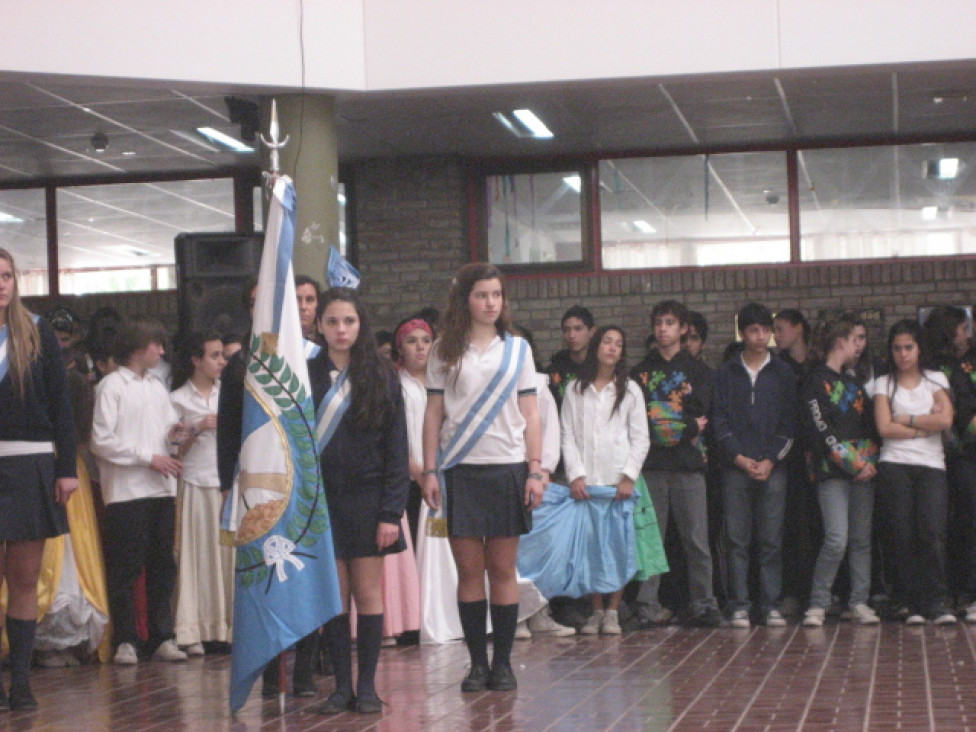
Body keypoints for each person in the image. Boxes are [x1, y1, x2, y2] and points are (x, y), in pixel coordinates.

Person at [422, 262, 543, 693]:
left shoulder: (518, 350)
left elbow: (531, 413)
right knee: (469, 571)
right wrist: (430, 468)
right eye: (481, 295)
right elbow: (433, 412)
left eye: (496, 295)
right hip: (460, 470)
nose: (490, 303)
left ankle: (504, 663)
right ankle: (476, 664)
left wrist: (535, 470)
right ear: (465, 300)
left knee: (503, 570)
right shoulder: (443, 350)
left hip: (508, 466)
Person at [311, 288, 410, 715]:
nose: (340, 330)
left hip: (369, 500)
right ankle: (340, 688)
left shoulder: (382, 375)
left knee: (368, 594)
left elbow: (397, 450)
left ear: (360, 324)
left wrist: (391, 512)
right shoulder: (302, 374)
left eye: (348, 321)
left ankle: (367, 685)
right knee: (335, 597)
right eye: (332, 321)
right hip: (321, 502)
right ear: (319, 326)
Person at [0, 248, 78, 711]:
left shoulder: (37, 331)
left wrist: (66, 468)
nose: (2, 284)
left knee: (24, 578)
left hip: (31, 463)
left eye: (7, 275)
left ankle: (22, 683)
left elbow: (61, 405)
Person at [90, 318, 188, 665]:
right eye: (156, 345)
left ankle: (162, 636)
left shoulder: (158, 386)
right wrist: (149, 458)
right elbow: (101, 441)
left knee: (163, 563)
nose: (161, 352)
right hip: (126, 491)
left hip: (161, 489)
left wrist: (175, 436)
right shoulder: (111, 386)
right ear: (137, 347)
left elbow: (164, 436)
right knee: (126, 566)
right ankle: (125, 640)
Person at [632, 300, 721, 628]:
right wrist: (682, 424)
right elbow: (639, 417)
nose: (662, 328)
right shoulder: (639, 372)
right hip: (651, 465)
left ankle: (703, 602)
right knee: (650, 538)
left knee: (696, 539)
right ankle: (646, 604)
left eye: (670, 322)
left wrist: (662, 417)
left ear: (683, 329)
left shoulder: (699, 371)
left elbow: (701, 413)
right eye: (658, 322)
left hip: (688, 465)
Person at [712, 302, 796, 628]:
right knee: (736, 540)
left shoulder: (784, 372)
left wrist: (771, 459)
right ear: (742, 333)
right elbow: (718, 421)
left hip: (774, 467)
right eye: (753, 330)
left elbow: (791, 423)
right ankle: (739, 606)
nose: (760, 336)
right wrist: (739, 457)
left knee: (771, 539)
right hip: (735, 467)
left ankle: (771, 604)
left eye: (766, 330)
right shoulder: (726, 372)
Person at [562, 325, 649, 634]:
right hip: (587, 483)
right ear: (596, 346)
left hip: (617, 484)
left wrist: (628, 478)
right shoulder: (575, 389)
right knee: (588, 548)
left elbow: (641, 438)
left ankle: (613, 611)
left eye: (619, 343)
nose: (613, 348)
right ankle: (596, 610)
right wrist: (575, 475)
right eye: (607, 342)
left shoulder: (630, 389)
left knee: (617, 547)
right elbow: (567, 436)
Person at [873, 318, 955, 625]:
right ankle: (905, 601)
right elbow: (883, 427)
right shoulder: (884, 383)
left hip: (932, 465)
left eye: (909, 347)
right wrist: (924, 425)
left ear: (919, 348)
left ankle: (935, 601)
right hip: (894, 464)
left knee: (932, 533)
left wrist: (905, 418)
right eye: (897, 348)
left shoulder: (936, 380)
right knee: (900, 534)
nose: (903, 354)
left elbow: (946, 421)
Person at [801, 315, 880, 627]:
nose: (858, 346)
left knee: (862, 539)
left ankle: (859, 601)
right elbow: (821, 429)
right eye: (853, 340)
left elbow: (869, 427)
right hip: (831, 472)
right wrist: (851, 462)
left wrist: (868, 462)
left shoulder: (855, 384)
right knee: (837, 537)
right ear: (840, 342)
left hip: (863, 473)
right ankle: (818, 603)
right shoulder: (814, 381)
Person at [170, 331, 233, 655]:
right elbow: (172, 451)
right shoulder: (178, 399)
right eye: (214, 355)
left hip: (224, 484)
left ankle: (228, 628)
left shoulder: (229, 394)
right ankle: (193, 629)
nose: (221, 361)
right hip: (194, 483)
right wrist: (197, 427)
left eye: (223, 355)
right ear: (196, 360)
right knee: (197, 558)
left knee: (226, 558)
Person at [923, 306, 976, 620]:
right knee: (949, 524)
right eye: (962, 329)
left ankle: (970, 589)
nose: (968, 334)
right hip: (943, 453)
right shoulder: (933, 366)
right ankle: (954, 590)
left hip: (969, 452)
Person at [545, 305, 595, 408]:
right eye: (567, 330)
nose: (571, 335)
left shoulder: (601, 367)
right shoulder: (554, 369)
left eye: (578, 329)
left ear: (592, 332)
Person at [295, 275, 322, 343]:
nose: (303, 307)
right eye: (297, 300)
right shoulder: (276, 337)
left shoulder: (327, 341)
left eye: (309, 300)